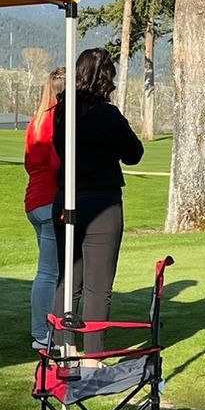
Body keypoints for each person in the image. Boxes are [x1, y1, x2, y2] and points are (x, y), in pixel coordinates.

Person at [50, 48, 143, 329]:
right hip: (101, 201)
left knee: (68, 280)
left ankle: (62, 350)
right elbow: (133, 153)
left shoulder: (62, 112)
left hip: (66, 197)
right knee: (98, 287)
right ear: (105, 77)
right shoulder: (106, 114)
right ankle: (92, 356)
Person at [23, 68, 67, 351]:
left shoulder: (36, 122)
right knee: (50, 272)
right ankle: (42, 332)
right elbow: (56, 163)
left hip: (34, 201)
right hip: (51, 199)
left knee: (50, 270)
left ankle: (47, 328)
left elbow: (29, 163)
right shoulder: (56, 121)